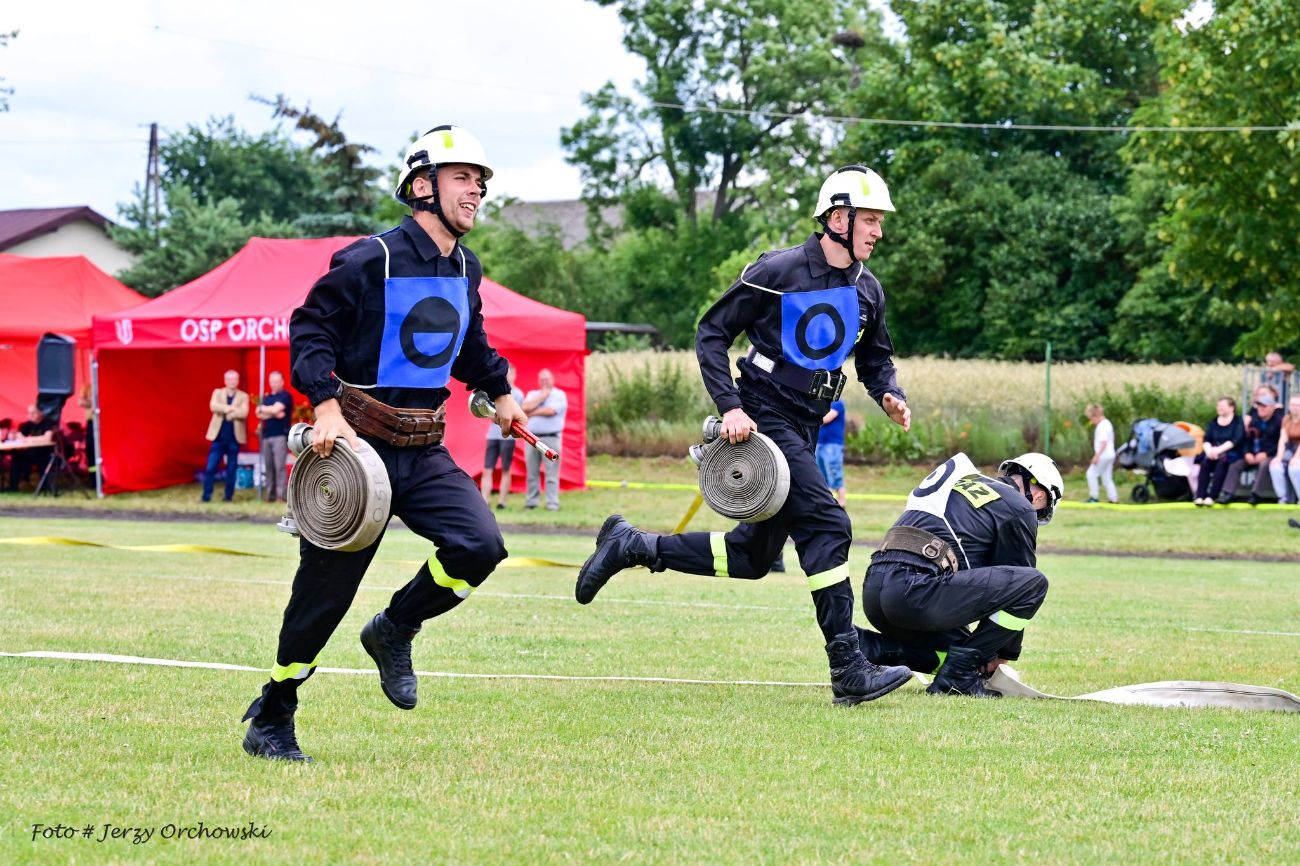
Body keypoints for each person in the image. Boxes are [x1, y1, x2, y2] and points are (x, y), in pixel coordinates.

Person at [239, 125, 527, 762]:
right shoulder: (371, 257)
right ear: (423, 187)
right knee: (324, 597)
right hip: (355, 448)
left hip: (424, 447)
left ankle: (395, 628)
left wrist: (501, 392)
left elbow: (470, 345)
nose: (477, 188)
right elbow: (310, 329)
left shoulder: (465, 264)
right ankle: (273, 718)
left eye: (481, 180)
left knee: (481, 545)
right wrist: (326, 407)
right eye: (463, 177)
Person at [575, 164, 914, 706]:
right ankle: (849, 668)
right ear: (836, 218)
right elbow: (711, 333)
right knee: (829, 523)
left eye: (879, 221)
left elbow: (876, 359)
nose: (878, 231)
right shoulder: (776, 271)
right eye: (869, 219)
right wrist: (730, 407)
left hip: (806, 423)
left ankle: (632, 546)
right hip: (763, 411)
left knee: (753, 559)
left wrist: (889, 393)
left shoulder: (868, 289)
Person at [857, 452, 1062, 697]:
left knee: (961, 650)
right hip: (916, 596)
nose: (1035, 517)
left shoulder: (964, 486)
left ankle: (871, 648)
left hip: (875, 595)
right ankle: (957, 677)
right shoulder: (1019, 507)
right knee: (1034, 584)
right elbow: (1019, 579)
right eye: (1040, 511)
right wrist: (1001, 654)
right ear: (1040, 495)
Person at [201, 370, 249, 503]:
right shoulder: (218, 392)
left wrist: (230, 414)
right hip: (218, 438)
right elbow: (213, 406)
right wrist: (229, 408)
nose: (232, 382)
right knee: (211, 467)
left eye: (235, 379)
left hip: (234, 439)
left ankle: (228, 497)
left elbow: (244, 412)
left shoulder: (243, 396)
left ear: (237, 381)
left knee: (231, 469)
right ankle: (206, 496)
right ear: (225, 380)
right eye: (230, 379)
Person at [522, 368, 566, 511]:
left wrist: (532, 412)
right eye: (542, 379)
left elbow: (551, 411)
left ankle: (552, 503)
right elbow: (524, 407)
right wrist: (542, 396)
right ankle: (531, 502)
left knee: (551, 472)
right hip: (532, 438)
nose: (544, 382)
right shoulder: (532, 394)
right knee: (532, 472)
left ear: (552, 380)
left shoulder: (559, 395)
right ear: (538, 381)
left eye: (547, 379)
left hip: (551, 438)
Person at [1231, 384, 1283, 505]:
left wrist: (1265, 454)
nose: (1260, 409)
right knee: (1235, 465)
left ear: (1271, 407)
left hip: (1269, 455)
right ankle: (1227, 493)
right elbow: (1246, 440)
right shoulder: (1253, 420)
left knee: (1265, 464)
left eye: (1264, 406)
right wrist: (1247, 453)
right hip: (1252, 454)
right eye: (1259, 406)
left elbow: (1279, 442)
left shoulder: (1278, 420)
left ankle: (1256, 494)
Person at [481, 364, 524, 509]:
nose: (508, 377)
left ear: (515, 375)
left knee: (506, 468)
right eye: (506, 375)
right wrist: (496, 416)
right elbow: (488, 413)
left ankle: (502, 501)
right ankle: (484, 500)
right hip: (493, 435)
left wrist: (499, 416)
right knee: (488, 468)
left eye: (510, 374)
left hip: (508, 438)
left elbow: (514, 418)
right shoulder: (495, 395)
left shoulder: (517, 394)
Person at [1193, 396, 1245, 506]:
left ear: (1231, 408)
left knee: (1222, 462)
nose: (1219, 408)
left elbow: (1236, 440)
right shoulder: (1213, 422)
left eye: (1222, 406)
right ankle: (1200, 495)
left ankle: (1212, 496)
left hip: (1231, 452)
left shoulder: (1238, 422)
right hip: (1212, 452)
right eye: (1218, 406)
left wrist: (1219, 450)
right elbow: (1207, 439)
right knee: (1205, 462)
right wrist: (1209, 451)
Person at [255, 371, 294, 502]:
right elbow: (259, 413)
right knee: (269, 466)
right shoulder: (266, 398)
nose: (274, 384)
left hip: (280, 436)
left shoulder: (285, 396)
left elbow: (272, 411)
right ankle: (270, 494)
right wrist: (273, 412)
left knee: (279, 467)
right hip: (266, 436)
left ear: (282, 382)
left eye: (277, 381)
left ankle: (280, 495)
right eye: (272, 381)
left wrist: (267, 411)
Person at [5, 404, 56, 492]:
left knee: (44, 461)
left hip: (45, 454)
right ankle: (13, 486)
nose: (30, 415)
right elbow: (18, 436)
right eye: (29, 413)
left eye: (33, 413)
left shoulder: (48, 423)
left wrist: (28, 439)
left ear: (41, 413)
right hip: (30, 454)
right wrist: (19, 437)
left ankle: (44, 488)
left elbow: (48, 437)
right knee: (16, 457)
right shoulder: (26, 425)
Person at [1268, 394, 1300, 505]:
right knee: (1275, 466)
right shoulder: (1286, 419)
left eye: (1298, 405)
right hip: (1290, 449)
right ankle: (1283, 497)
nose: (1295, 407)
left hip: (1298, 451)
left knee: (1295, 468)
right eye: (1292, 404)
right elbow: (1283, 439)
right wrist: (1279, 457)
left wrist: (1296, 457)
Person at [816, 398, 847, 506]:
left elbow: (826, 418)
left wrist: (809, 418)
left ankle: (842, 502)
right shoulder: (821, 403)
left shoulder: (838, 404)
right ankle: (827, 502)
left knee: (834, 473)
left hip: (833, 445)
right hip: (819, 443)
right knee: (820, 474)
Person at [1084, 403, 1117, 504]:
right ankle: (1113, 498)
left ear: (1096, 415)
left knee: (1091, 474)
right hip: (1110, 454)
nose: (1092, 421)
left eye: (1091, 418)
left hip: (1103, 455)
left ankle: (1094, 497)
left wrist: (1096, 456)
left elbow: (1103, 443)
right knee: (1107, 477)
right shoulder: (1108, 423)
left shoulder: (1101, 427)